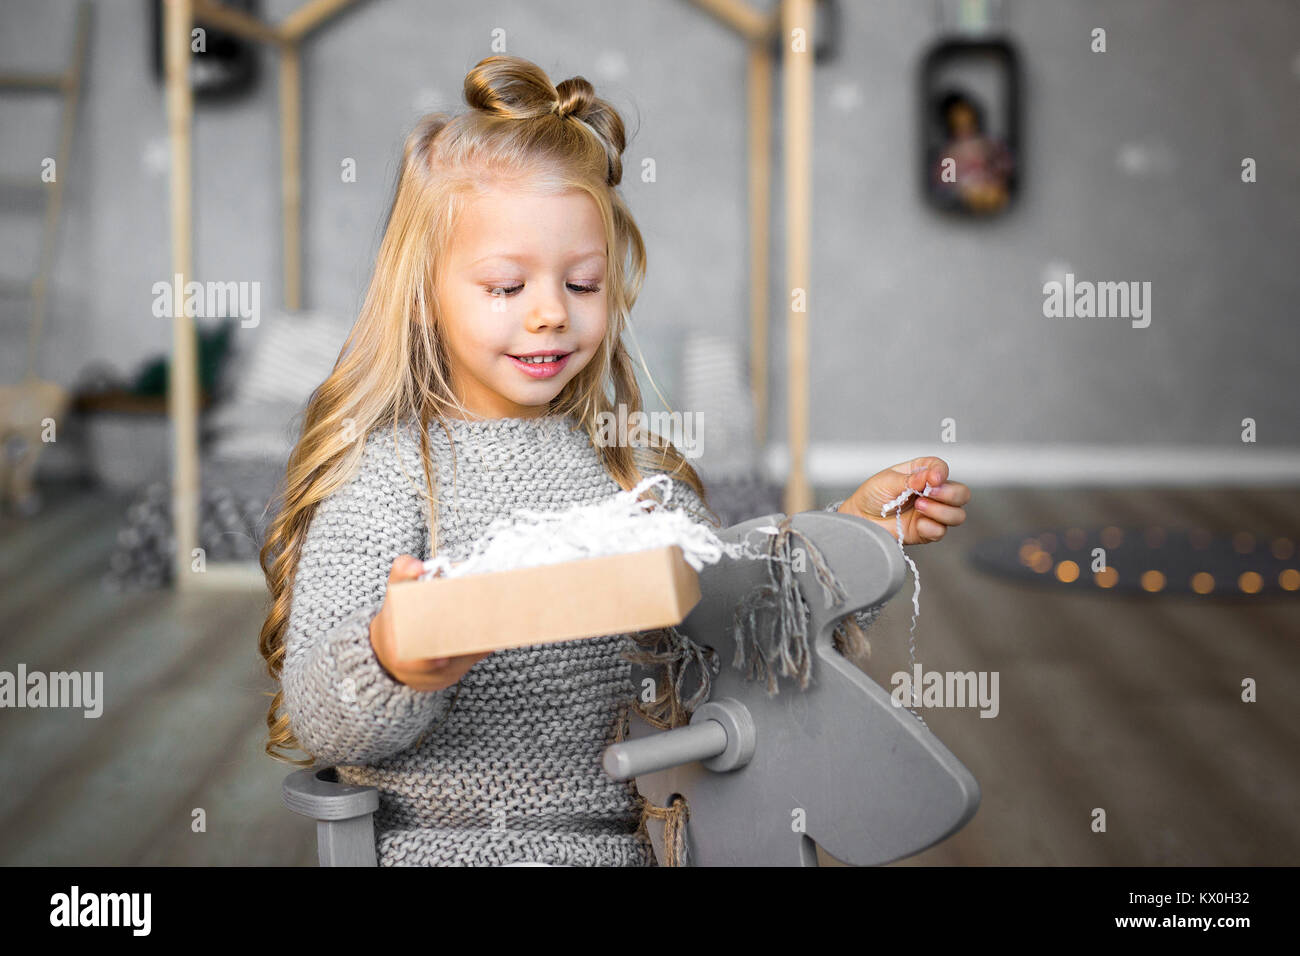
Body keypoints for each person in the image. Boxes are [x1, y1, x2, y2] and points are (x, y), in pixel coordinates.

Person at [257, 54, 971, 866]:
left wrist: (851, 537)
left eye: (583, 284)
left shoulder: (631, 472)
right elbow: (319, 711)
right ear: (425, 294)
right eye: (505, 287)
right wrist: (393, 656)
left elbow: (742, 638)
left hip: (637, 848)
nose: (551, 314)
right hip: (440, 851)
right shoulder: (387, 476)